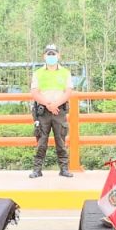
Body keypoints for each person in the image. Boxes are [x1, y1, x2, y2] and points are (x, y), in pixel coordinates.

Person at [29, 44, 74, 178]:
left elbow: (68, 92)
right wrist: (49, 105)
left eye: (53, 54)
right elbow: (35, 93)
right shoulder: (38, 73)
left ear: (58, 56)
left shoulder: (65, 73)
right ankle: (37, 170)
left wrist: (55, 105)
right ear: (44, 56)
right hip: (43, 111)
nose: (51, 57)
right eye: (49, 54)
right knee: (41, 141)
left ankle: (64, 169)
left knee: (61, 140)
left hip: (59, 111)